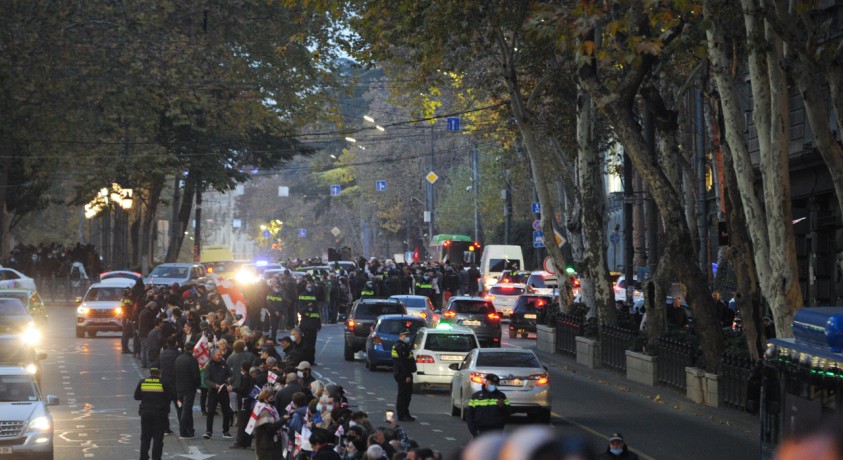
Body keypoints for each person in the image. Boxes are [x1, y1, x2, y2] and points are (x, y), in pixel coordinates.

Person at [134, 364, 174, 460]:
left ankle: (143, 457)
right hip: (159, 414)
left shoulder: (143, 382)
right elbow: (170, 396)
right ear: (159, 372)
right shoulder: (163, 383)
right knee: (158, 439)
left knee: (145, 438)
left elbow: (136, 397)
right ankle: (156, 458)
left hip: (145, 413)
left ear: (150, 372)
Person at [203, 348, 234, 439]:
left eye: (221, 355)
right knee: (211, 412)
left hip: (224, 391)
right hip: (213, 392)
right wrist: (213, 385)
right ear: (213, 355)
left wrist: (230, 380)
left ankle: (226, 431)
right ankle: (208, 431)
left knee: (226, 412)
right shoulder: (209, 365)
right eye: (218, 355)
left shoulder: (225, 364)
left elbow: (232, 374)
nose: (220, 356)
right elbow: (206, 379)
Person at [174, 341, 201, 439]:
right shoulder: (192, 360)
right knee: (187, 409)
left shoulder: (178, 358)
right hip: (189, 388)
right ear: (192, 349)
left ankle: (189, 429)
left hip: (179, 388)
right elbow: (196, 376)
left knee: (181, 408)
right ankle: (184, 430)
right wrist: (197, 386)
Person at [391, 329, 417, 422]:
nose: (407, 337)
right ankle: (402, 414)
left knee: (407, 395)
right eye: (405, 336)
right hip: (403, 374)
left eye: (407, 335)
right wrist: (407, 375)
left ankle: (405, 413)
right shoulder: (400, 346)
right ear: (401, 336)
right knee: (403, 395)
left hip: (403, 373)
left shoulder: (403, 345)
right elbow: (403, 363)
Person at [300, 300, 322, 365]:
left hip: (313, 330)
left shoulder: (315, 309)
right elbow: (300, 311)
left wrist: (319, 326)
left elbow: (318, 318)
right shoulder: (305, 310)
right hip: (306, 330)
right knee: (306, 346)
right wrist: (307, 306)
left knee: (312, 346)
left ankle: (311, 361)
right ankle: (306, 360)